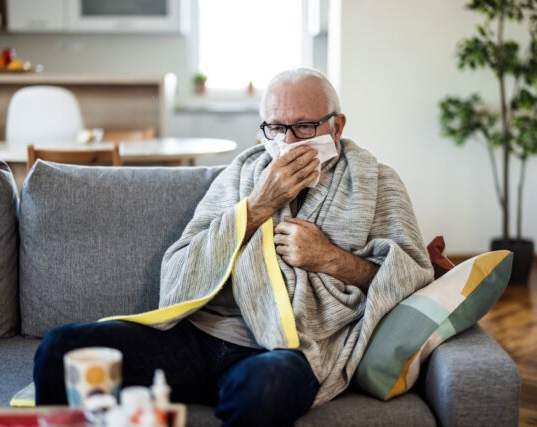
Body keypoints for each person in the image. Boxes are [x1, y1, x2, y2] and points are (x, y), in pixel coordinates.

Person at [34, 68, 433, 426]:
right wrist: (258, 206)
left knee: (267, 388)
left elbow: (410, 279)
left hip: (283, 346)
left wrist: (330, 258)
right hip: (198, 335)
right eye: (276, 128)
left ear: (337, 126)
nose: (288, 142)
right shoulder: (243, 173)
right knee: (61, 347)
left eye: (305, 127)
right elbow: (179, 269)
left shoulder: (377, 182)